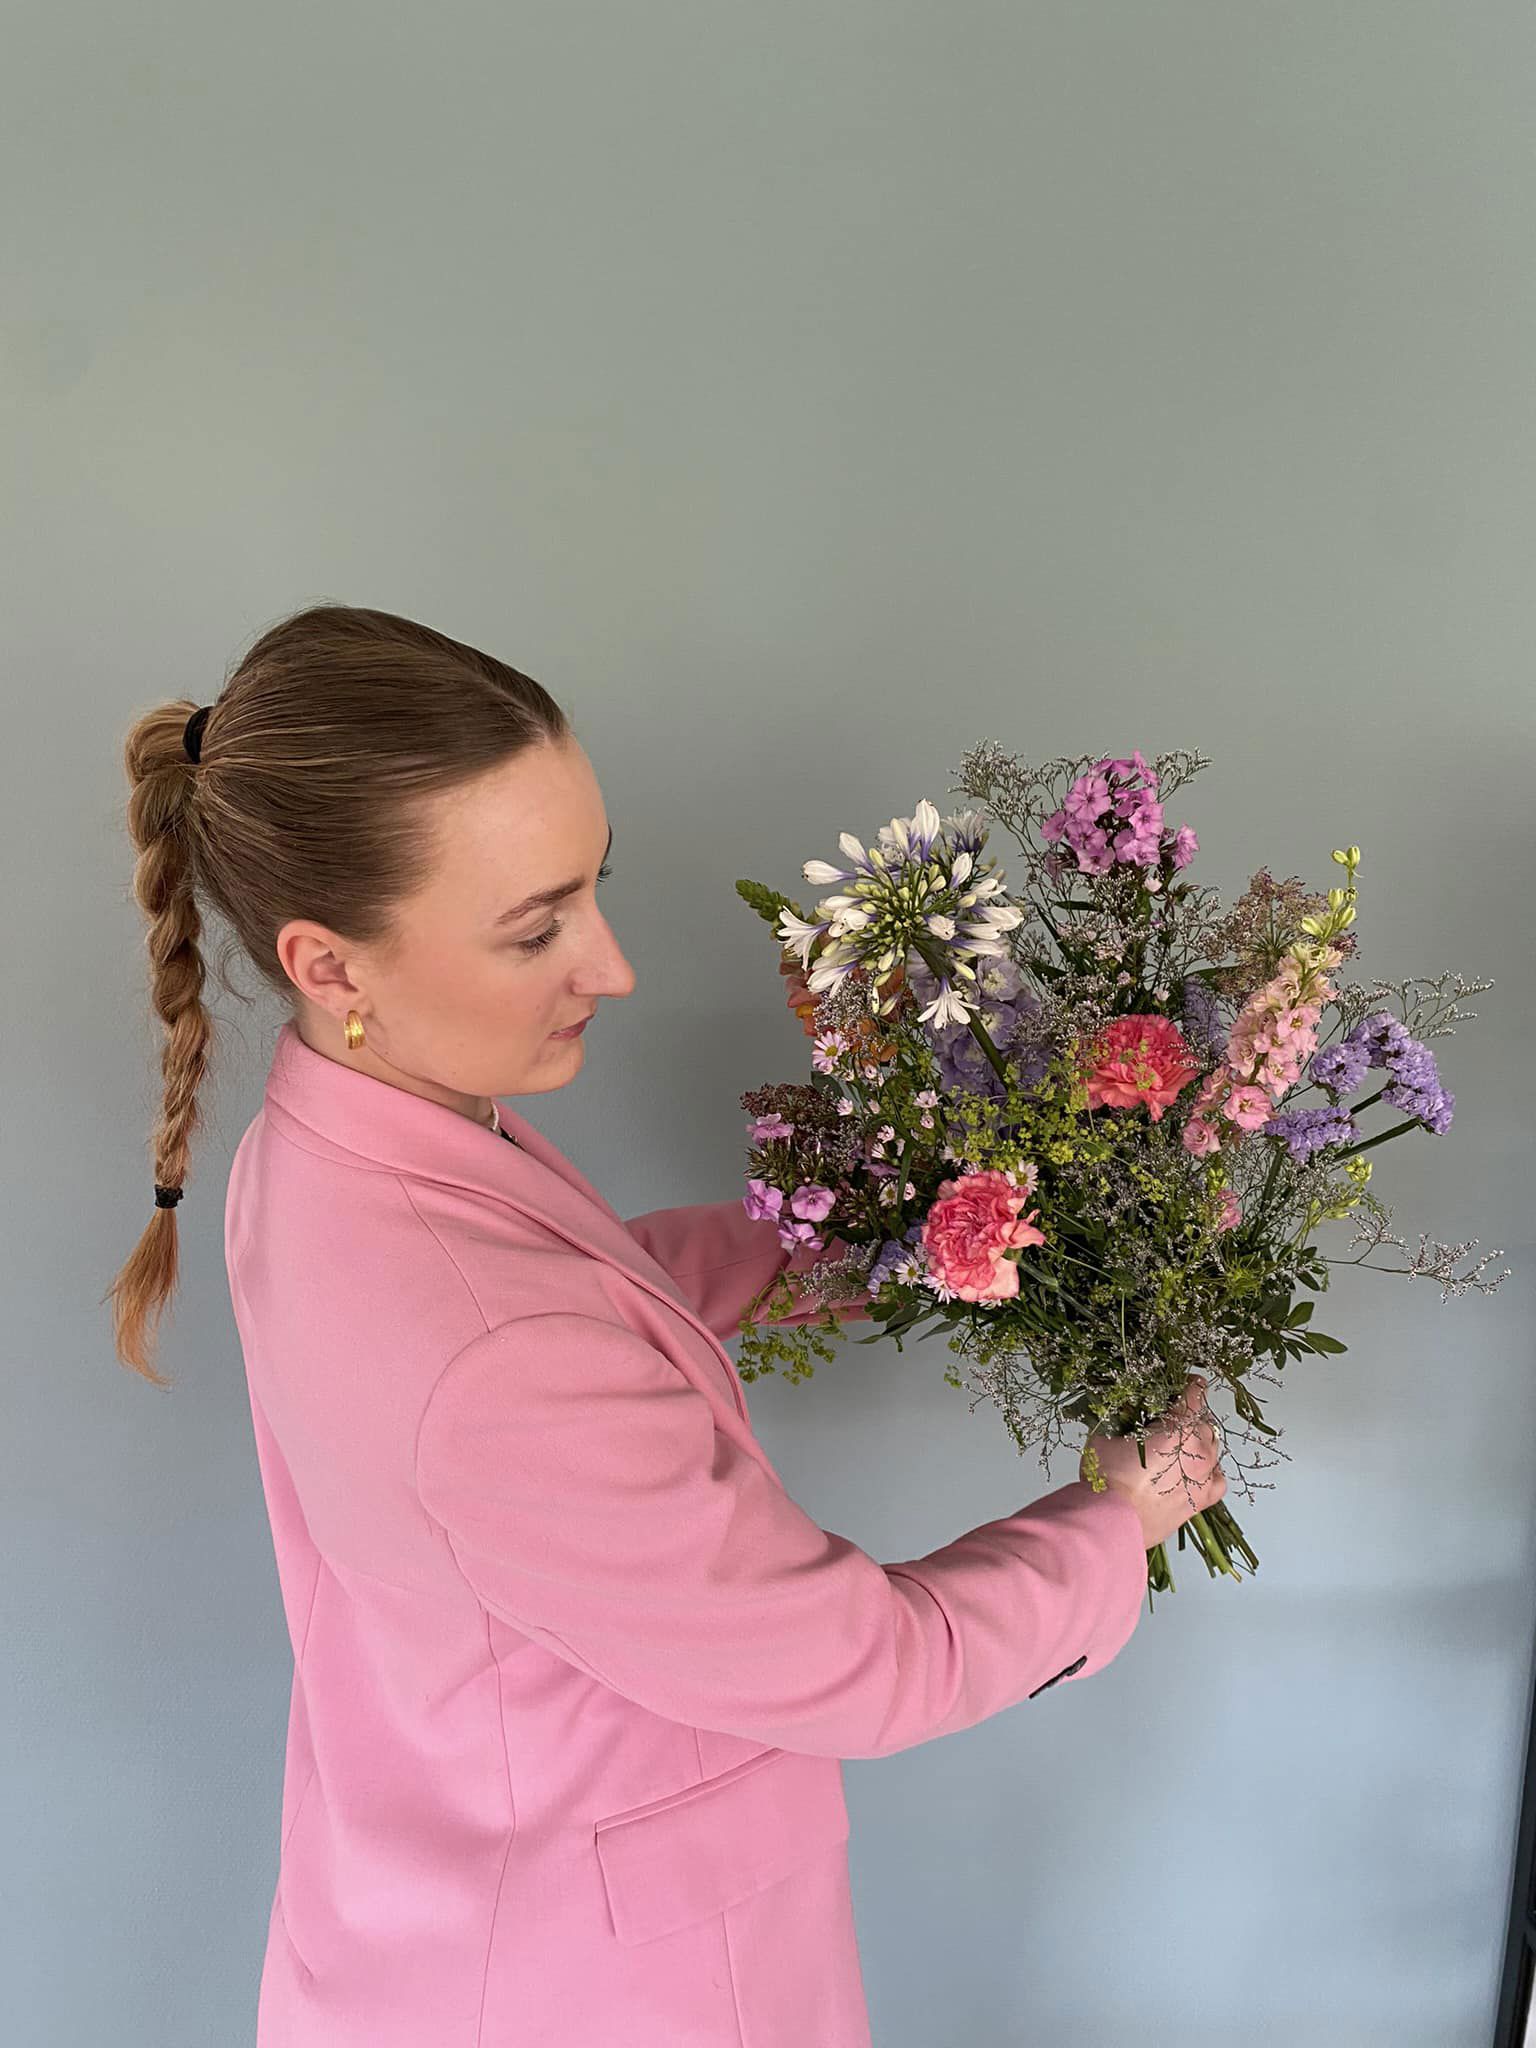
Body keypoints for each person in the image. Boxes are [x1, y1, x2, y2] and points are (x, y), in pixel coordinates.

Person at [109, 604, 1226, 2048]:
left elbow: (576, 1304)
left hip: (433, 1905)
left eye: (593, 888)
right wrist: (1114, 1521)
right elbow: (867, 1662)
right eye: (536, 928)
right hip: (607, 1987)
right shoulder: (489, 1351)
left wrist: (858, 1234)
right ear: (331, 964)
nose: (610, 964)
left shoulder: (329, 1144)